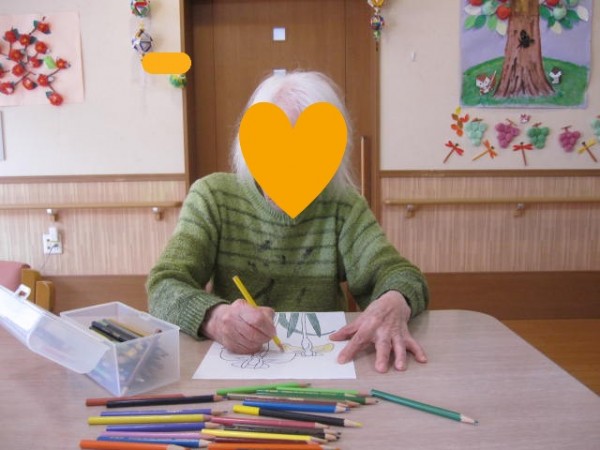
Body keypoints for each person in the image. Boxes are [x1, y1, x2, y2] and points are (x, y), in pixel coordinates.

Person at [147, 70, 429, 373]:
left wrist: (394, 301)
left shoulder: (343, 205)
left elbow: (399, 274)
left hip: (324, 370)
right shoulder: (212, 196)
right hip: (237, 369)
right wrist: (213, 318)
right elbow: (164, 285)